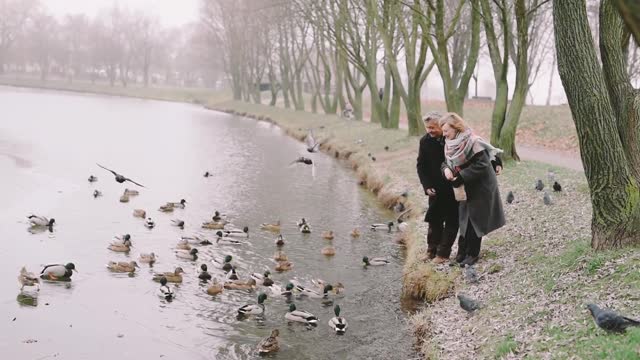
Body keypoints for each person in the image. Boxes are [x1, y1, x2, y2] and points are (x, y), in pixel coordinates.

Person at [440, 112, 505, 267]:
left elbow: (482, 164)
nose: (444, 134)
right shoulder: (450, 143)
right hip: (464, 186)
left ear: (456, 128)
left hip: (481, 186)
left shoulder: (473, 142)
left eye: (446, 131)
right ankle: (462, 252)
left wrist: (461, 176)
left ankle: (472, 254)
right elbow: (446, 162)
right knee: (464, 219)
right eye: (443, 131)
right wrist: (445, 170)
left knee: (475, 220)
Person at [416, 112, 459, 264]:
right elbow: (421, 166)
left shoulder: (452, 139)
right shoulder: (425, 141)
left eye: (433, 127)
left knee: (452, 220)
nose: (430, 131)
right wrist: (427, 186)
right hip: (435, 189)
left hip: (453, 187)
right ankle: (431, 250)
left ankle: (443, 254)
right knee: (434, 220)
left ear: (441, 125)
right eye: (427, 128)